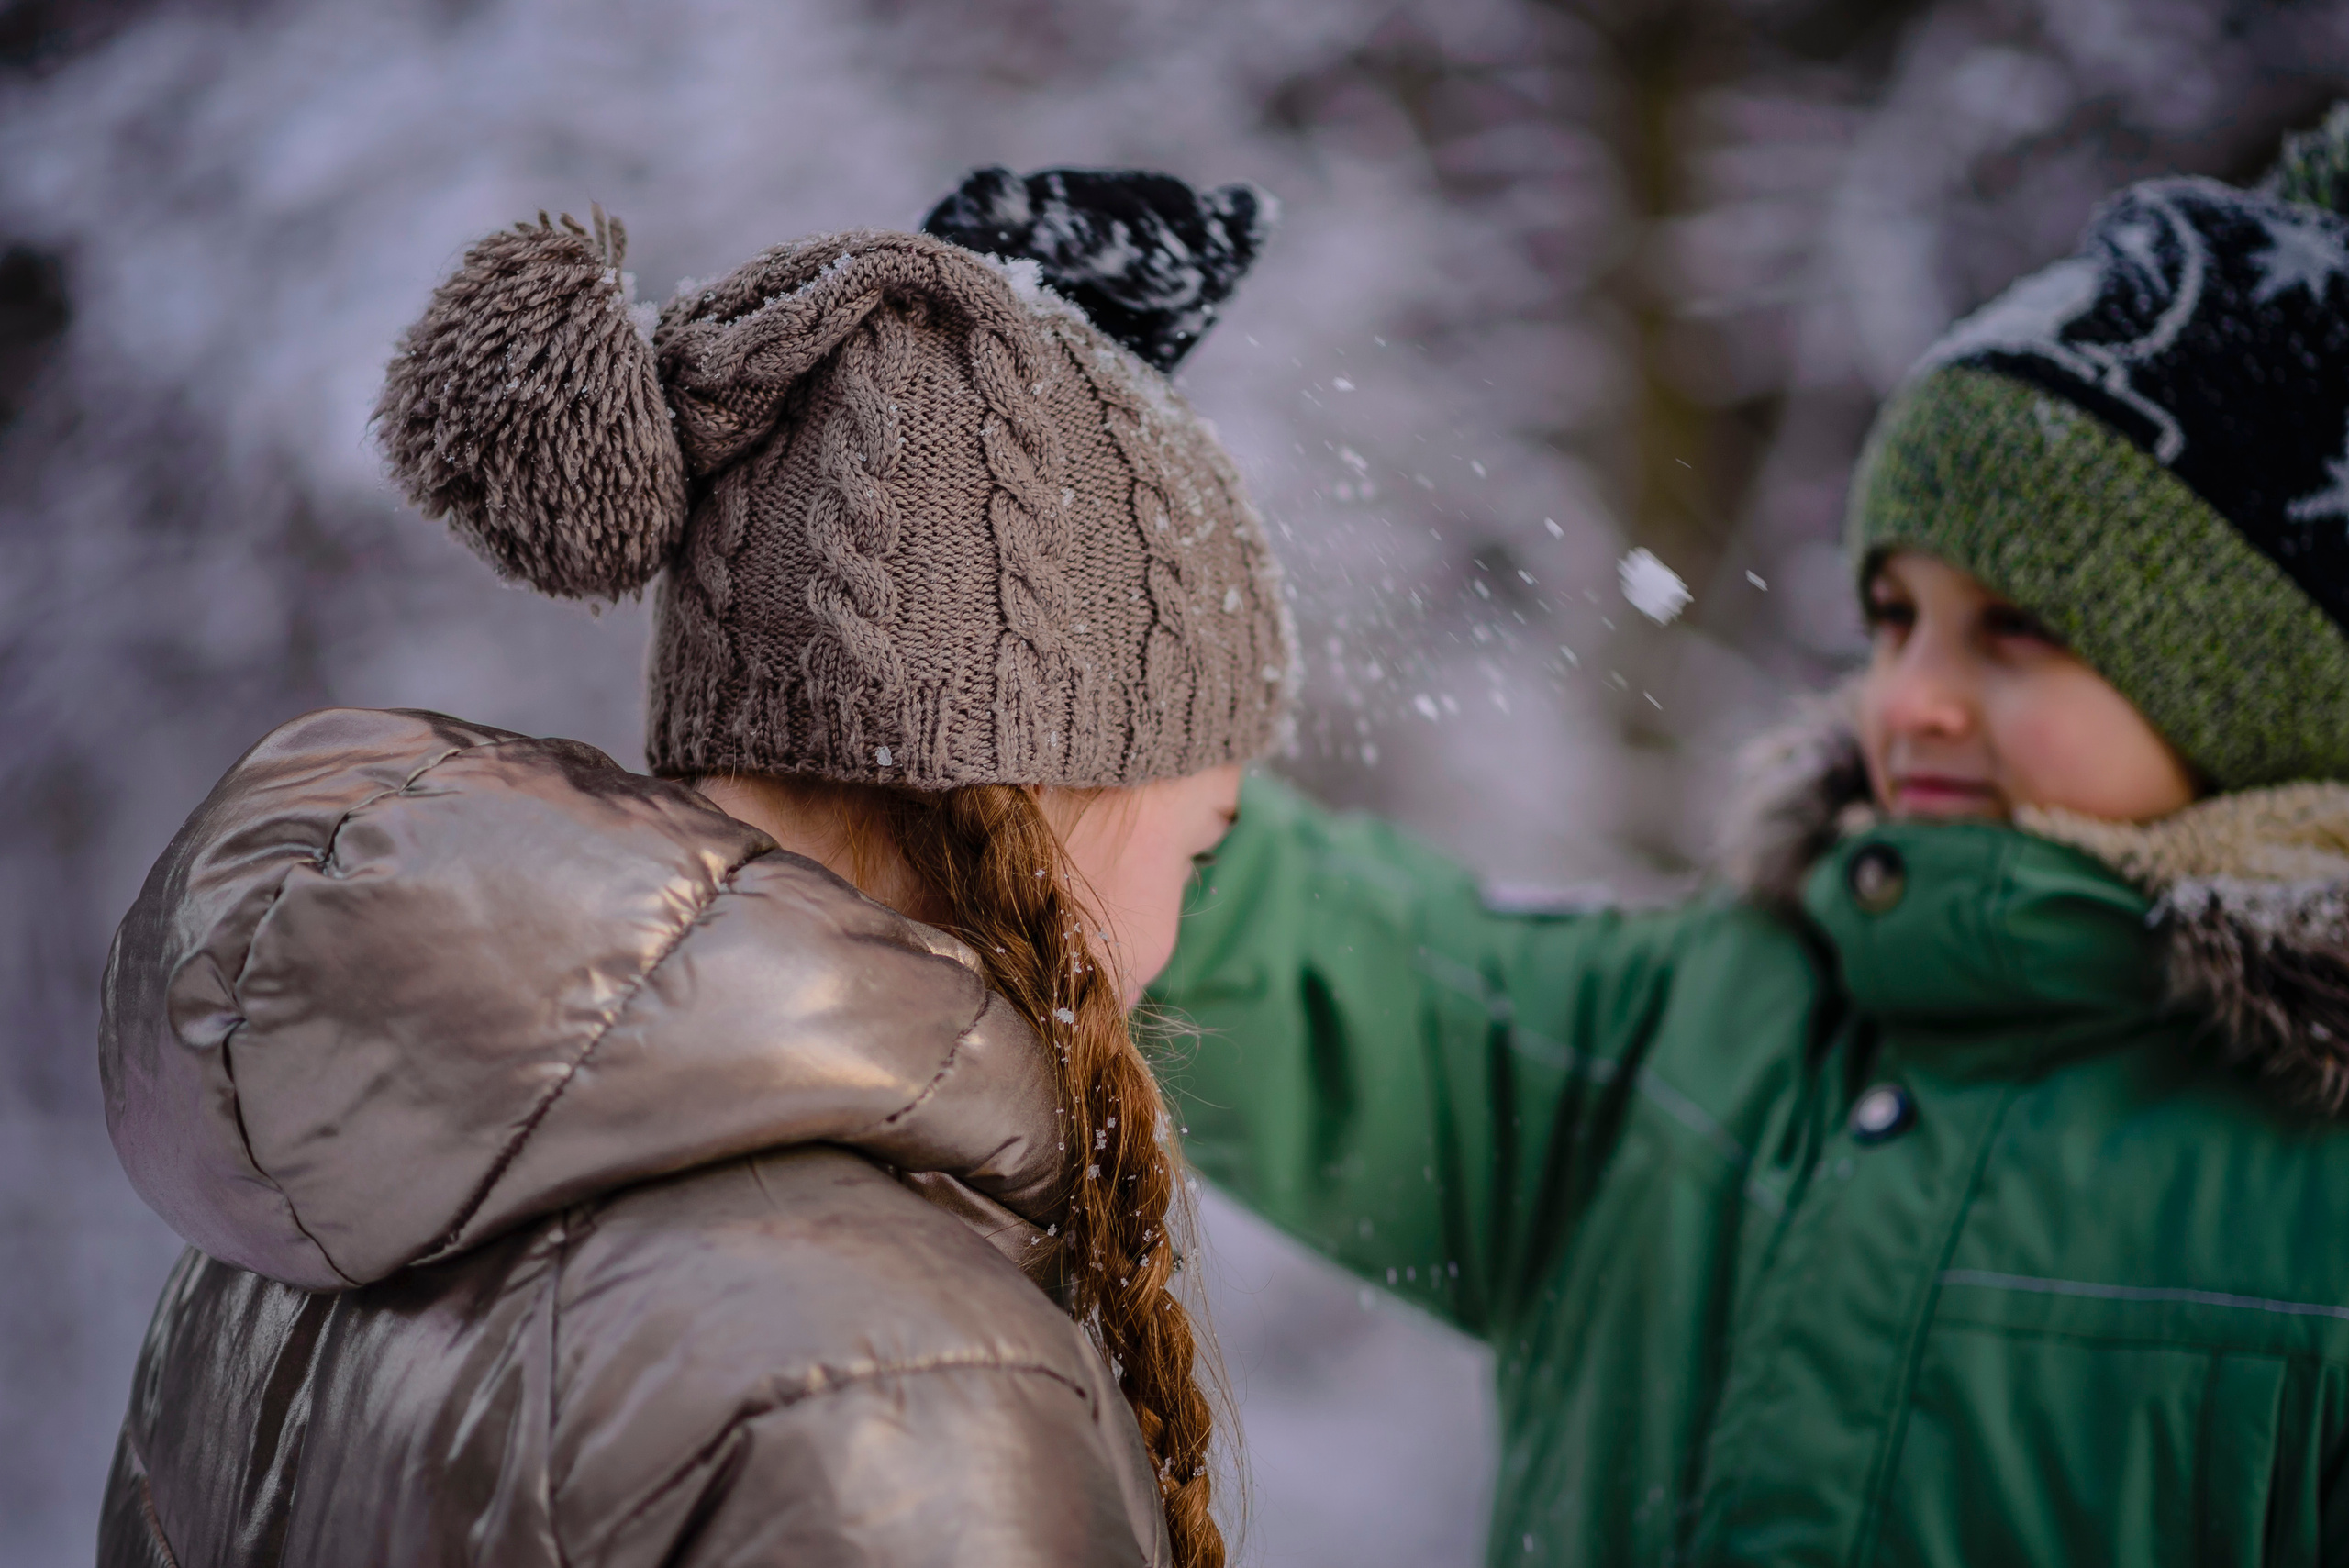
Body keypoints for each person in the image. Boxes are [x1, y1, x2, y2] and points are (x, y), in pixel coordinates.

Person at [1150, 112, 2349, 1564]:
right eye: (1894, 618)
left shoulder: (2315, 1201)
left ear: (2258, 692)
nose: (1910, 699)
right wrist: (1061, 553)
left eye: (2016, 633)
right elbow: (1300, 958)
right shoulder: (1700, 1019)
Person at [95, 168, 1290, 1568]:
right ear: (1043, 779)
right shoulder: (900, 1390)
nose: (1181, 928)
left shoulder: (306, 1211)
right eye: (1200, 843)